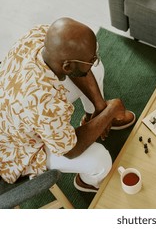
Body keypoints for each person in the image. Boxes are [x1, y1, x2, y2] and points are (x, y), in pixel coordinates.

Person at [0, 17, 136, 193]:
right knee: (100, 160)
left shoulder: (40, 34)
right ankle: (88, 181)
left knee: (93, 69)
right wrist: (111, 111)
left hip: (17, 114)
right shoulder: (44, 102)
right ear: (66, 66)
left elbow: (77, 65)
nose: (94, 58)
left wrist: (100, 108)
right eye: (91, 58)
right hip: (19, 150)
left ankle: (91, 117)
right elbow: (70, 150)